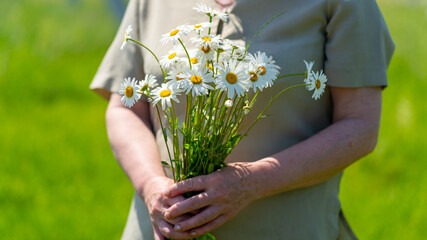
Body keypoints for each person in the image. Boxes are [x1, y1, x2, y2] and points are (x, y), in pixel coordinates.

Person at [90, 0, 394, 239]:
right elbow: (125, 107)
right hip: (159, 230)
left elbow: (359, 124)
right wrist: (151, 186)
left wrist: (249, 182)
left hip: (283, 231)